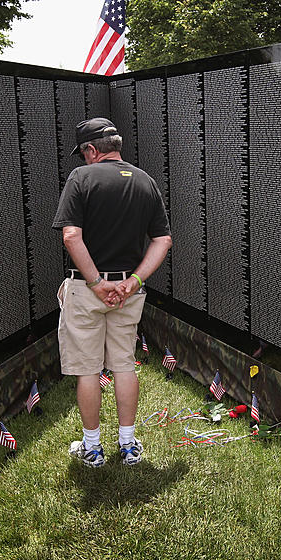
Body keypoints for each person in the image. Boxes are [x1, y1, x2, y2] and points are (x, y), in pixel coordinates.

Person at [53, 117, 172, 467]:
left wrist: (96, 284)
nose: (83, 159)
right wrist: (132, 282)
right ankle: (129, 445)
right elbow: (162, 239)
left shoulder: (81, 178)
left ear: (91, 150)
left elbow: (71, 236)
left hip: (88, 289)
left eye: (84, 153)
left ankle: (92, 449)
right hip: (127, 291)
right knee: (123, 365)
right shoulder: (146, 181)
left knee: (88, 370)